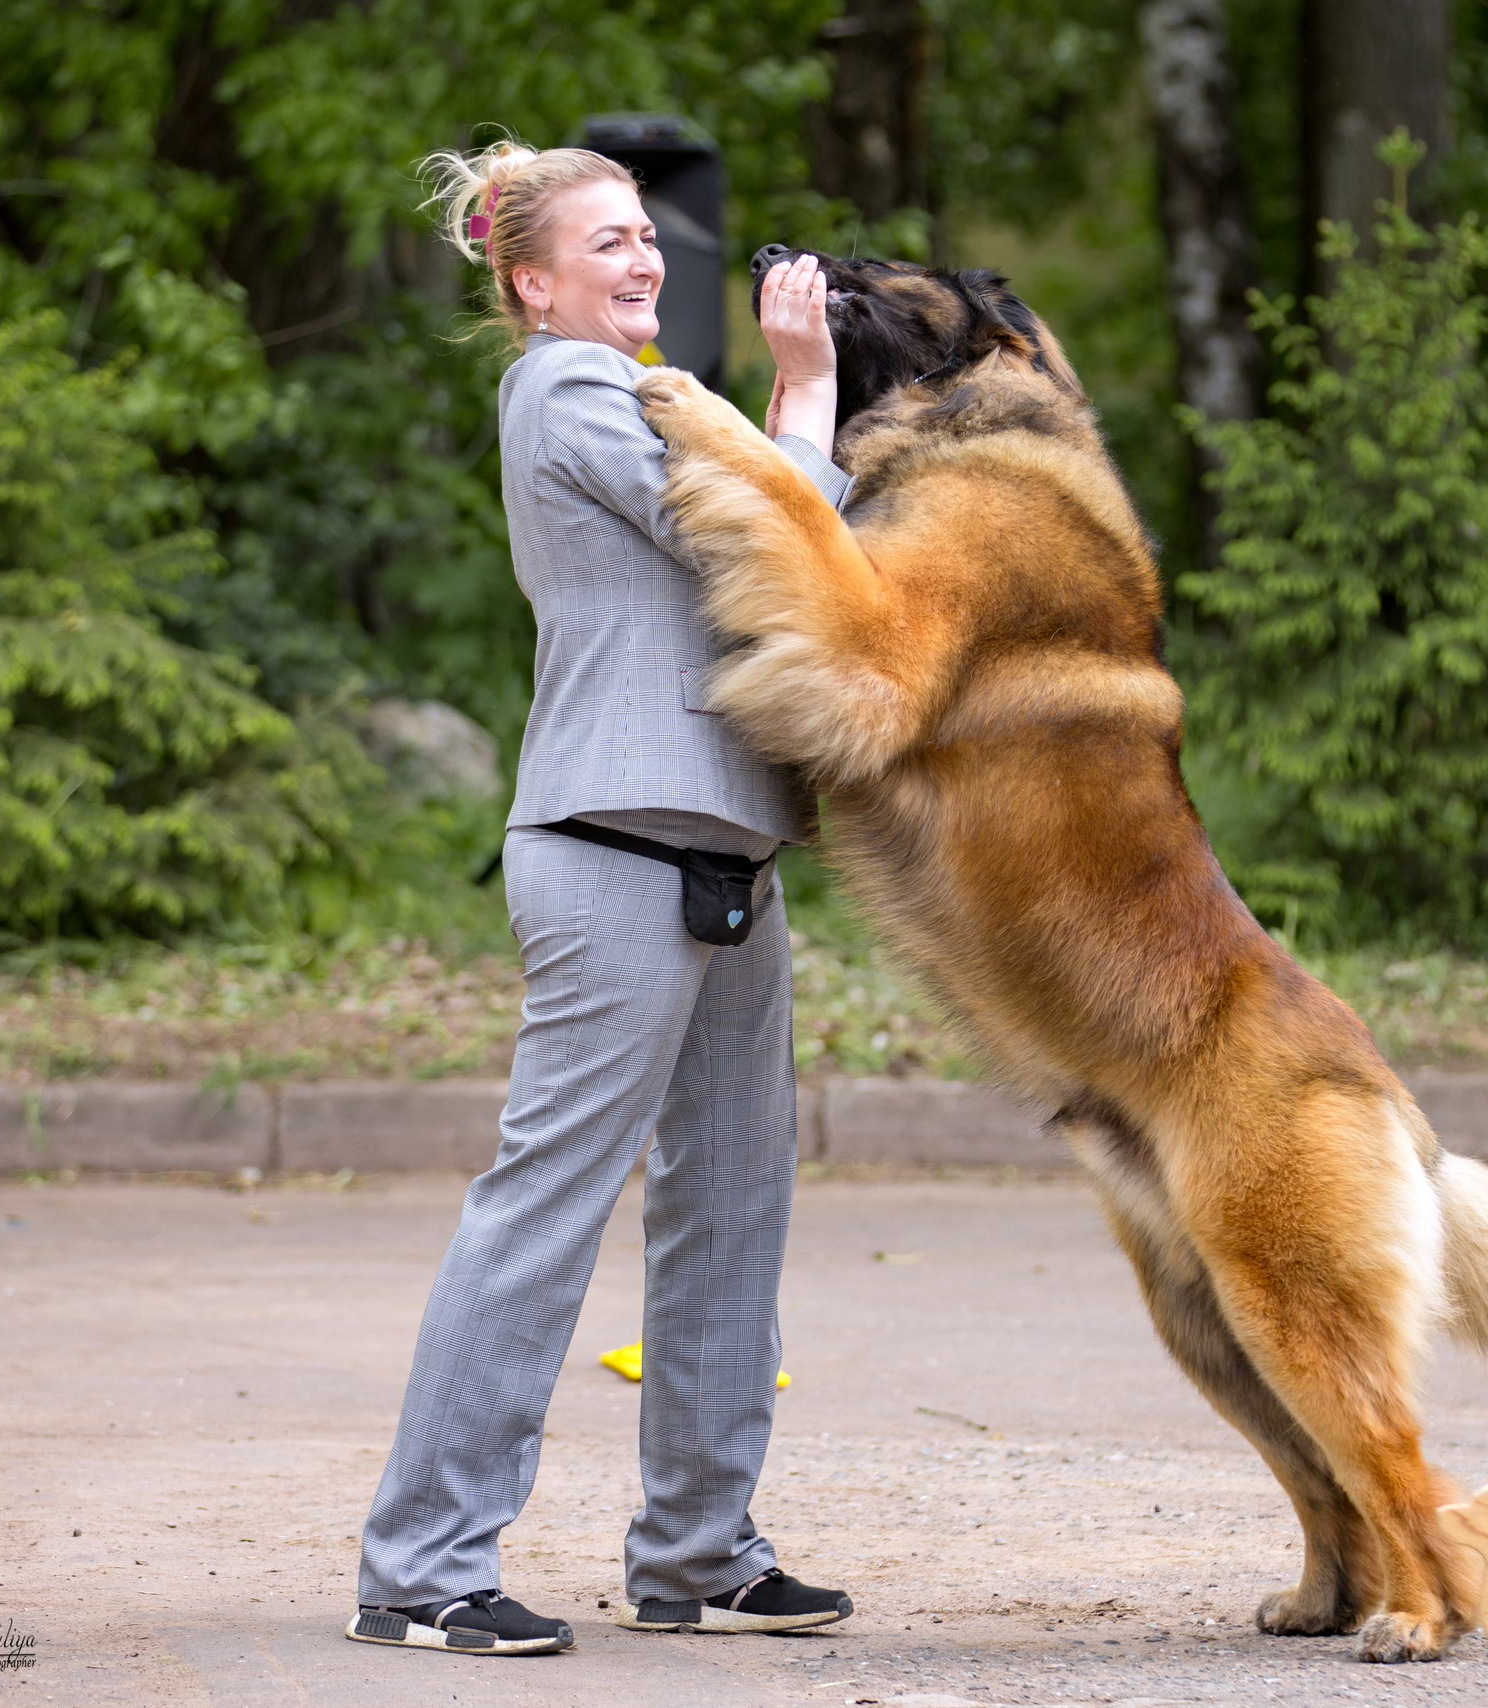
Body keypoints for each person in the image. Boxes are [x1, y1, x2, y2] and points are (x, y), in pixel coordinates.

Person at [343, 137, 853, 1658]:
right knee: (544, 1211)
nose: (643, 260)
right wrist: (809, 386)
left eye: (648, 235)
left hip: (732, 864)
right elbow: (770, 535)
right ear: (533, 281)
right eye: (609, 242)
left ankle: (699, 1554)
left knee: (733, 1212)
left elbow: (766, 525)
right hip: (615, 857)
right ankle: (424, 1567)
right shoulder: (565, 388)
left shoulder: (651, 403)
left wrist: (780, 415)